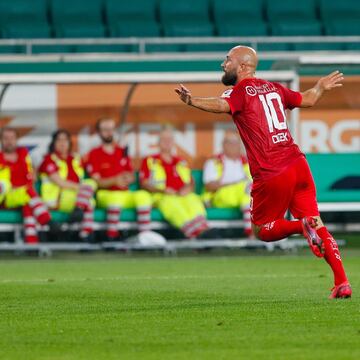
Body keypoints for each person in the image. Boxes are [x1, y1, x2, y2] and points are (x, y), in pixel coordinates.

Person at [175, 45, 351, 299]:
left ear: (244, 66)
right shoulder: (275, 88)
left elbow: (221, 104)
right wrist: (321, 87)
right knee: (317, 222)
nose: (223, 64)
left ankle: (299, 227)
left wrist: (192, 101)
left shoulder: (238, 92)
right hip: (298, 165)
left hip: (272, 171)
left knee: (263, 230)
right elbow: (309, 99)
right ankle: (342, 282)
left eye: (228, 60)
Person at [84, 118, 151, 241]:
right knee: (115, 199)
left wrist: (127, 177)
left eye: (111, 129)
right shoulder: (94, 154)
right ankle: (112, 236)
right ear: (98, 132)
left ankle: (144, 237)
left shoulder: (122, 151)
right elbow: (97, 182)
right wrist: (115, 180)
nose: (109, 132)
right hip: (105, 193)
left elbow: (131, 176)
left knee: (143, 196)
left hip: (124, 193)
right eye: (105, 129)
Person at [140, 126, 209, 239]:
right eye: (164, 140)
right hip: (162, 196)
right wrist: (163, 190)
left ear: (173, 143)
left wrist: (188, 188)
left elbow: (191, 182)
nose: (167, 143)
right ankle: (196, 234)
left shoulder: (181, 161)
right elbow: (144, 183)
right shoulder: (150, 160)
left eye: (170, 140)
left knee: (193, 199)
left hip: (182, 194)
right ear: (158, 143)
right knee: (172, 205)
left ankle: (203, 229)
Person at [39, 129, 96, 241]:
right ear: (53, 143)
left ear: (70, 143)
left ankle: (79, 214)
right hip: (58, 198)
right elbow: (60, 182)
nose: (62, 143)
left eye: (65, 140)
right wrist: (81, 188)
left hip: (76, 197)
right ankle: (86, 236)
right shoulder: (49, 159)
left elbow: (92, 172)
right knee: (87, 201)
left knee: (91, 183)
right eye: (59, 140)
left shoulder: (75, 159)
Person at [0, 127, 53, 244]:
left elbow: (31, 174)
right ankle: (45, 218)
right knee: (27, 192)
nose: (9, 141)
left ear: (17, 139)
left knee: (28, 207)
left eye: (12, 138)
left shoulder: (24, 155)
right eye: (6, 138)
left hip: (25, 199)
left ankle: (31, 242)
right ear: (1, 140)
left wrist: (33, 174)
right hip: (6, 199)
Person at [203, 129, 252, 237]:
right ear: (224, 145)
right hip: (221, 196)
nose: (235, 146)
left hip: (244, 194)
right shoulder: (214, 161)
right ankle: (255, 232)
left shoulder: (246, 161)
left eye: (237, 143)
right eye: (231, 143)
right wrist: (233, 184)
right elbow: (209, 186)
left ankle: (253, 233)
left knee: (251, 193)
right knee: (249, 188)